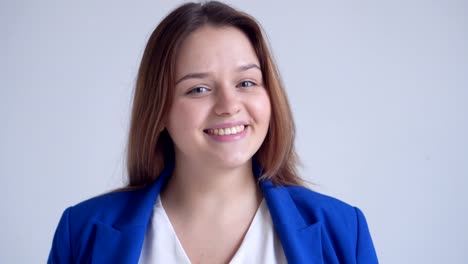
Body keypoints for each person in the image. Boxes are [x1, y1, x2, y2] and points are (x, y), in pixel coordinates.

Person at [48, 1, 378, 263]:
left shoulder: (343, 230)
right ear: (159, 109)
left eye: (246, 83)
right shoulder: (82, 232)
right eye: (199, 89)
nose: (228, 105)